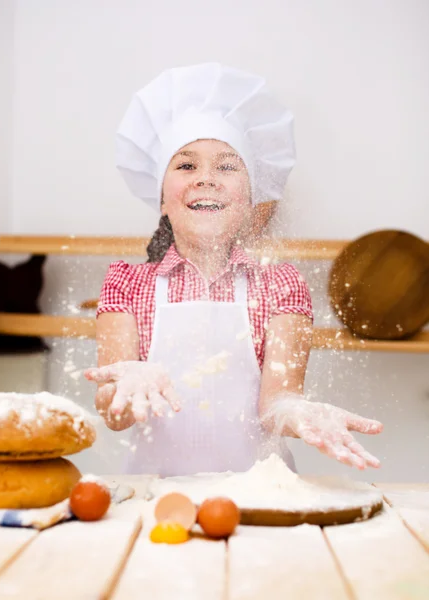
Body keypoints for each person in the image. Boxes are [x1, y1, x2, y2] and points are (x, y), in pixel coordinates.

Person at [85, 63, 383, 476]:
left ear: (249, 197)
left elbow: (277, 404)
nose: (206, 179)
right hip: (152, 504)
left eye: (227, 166)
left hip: (261, 501)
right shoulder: (126, 283)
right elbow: (114, 412)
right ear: (162, 198)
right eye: (186, 165)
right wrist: (125, 384)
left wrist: (298, 412)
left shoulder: (280, 285)